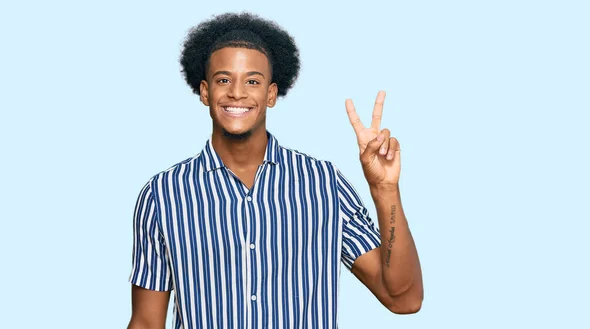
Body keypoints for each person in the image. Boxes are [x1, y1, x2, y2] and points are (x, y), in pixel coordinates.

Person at [127, 12, 423, 329]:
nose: (237, 92)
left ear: (271, 94)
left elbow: (404, 299)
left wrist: (385, 190)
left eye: (252, 81)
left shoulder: (324, 185)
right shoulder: (162, 194)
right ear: (205, 92)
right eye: (223, 80)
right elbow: (146, 321)